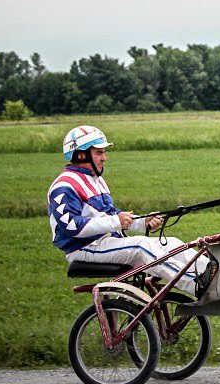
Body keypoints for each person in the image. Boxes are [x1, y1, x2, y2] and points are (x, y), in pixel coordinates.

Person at [48, 125, 209, 295]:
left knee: (173, 243)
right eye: (99, 153)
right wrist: (116, 221)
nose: (104, 158)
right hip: (84, 249)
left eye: (104, 152)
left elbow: (111, 215)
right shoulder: (64, 185)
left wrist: (143, 222)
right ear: (81, 155)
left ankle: (212, 274)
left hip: (106, 243)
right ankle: (196, 284)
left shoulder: (95, 180)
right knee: (141, 247)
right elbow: (72, 226)